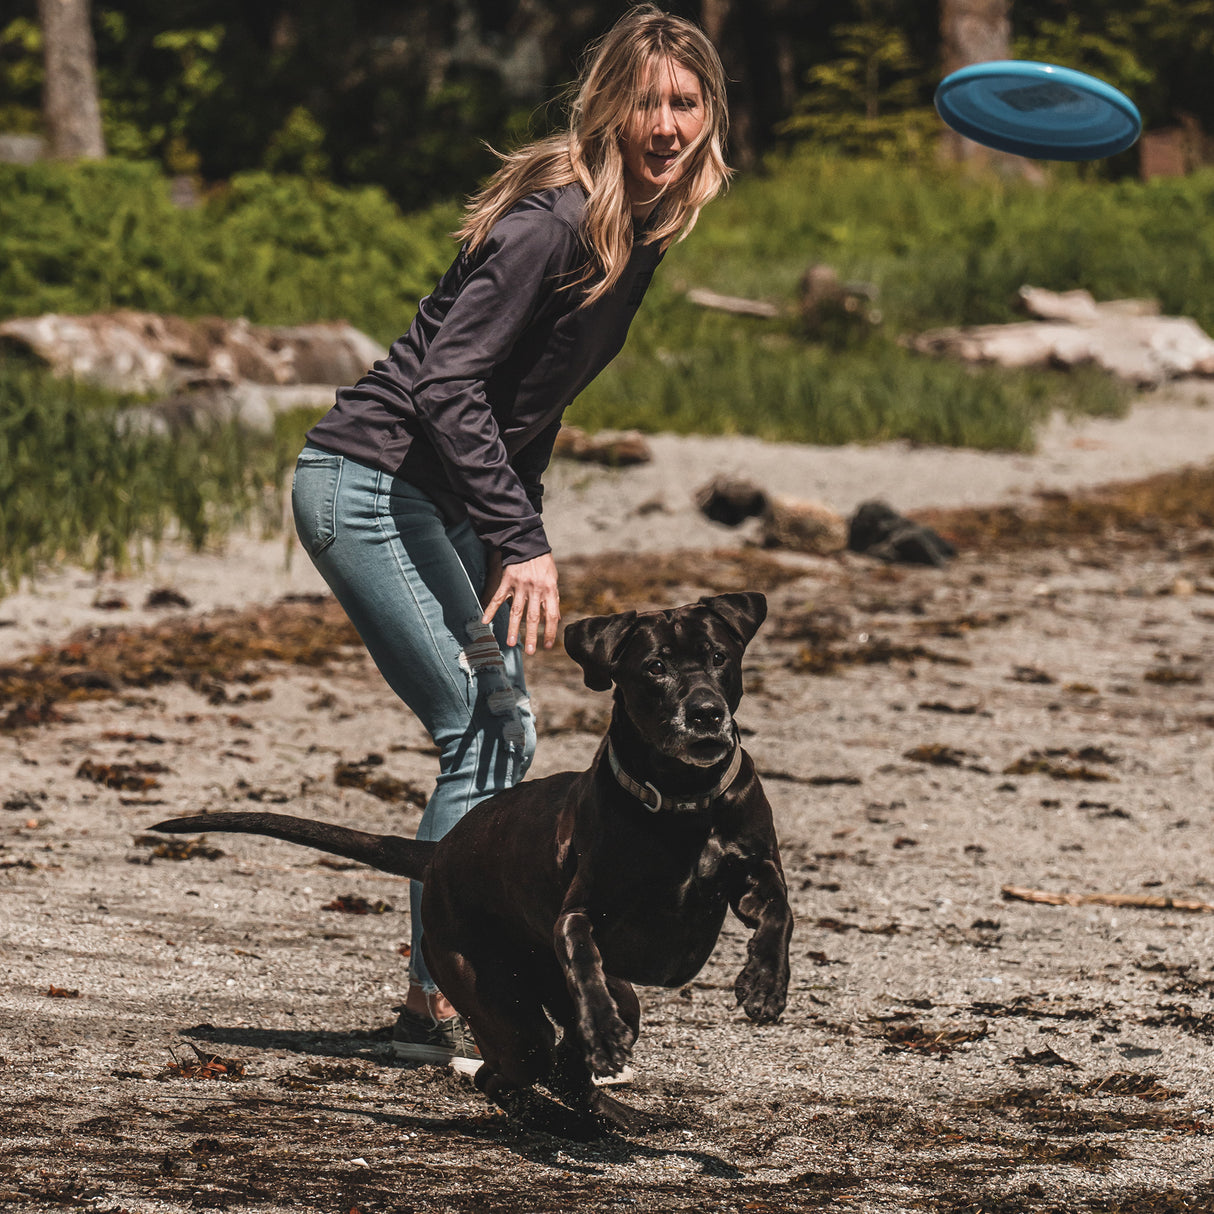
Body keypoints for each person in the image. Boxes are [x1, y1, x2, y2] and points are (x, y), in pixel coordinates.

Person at [291, 3, 730, 1071]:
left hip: (437, 504)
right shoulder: (555, 222)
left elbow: (528, 401)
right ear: (609, 107)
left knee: (502, 722)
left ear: (712, 113)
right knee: (483, 728)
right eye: (646, 101)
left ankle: (445, 990)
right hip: (366, 486)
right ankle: (441, 996)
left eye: (685, 101)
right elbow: (446, 381)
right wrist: (520, 536)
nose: (665, 123)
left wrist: (499, 541)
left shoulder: (638, 236)